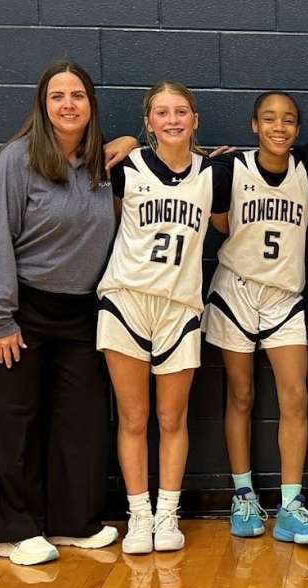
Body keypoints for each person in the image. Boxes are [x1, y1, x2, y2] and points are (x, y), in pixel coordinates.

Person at [97, 80, 228, 555]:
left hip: (180, 307)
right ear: (148, 122)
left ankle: (168, 513)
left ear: (195, 120)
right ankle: (139, 515)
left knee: (173, 418)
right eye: (161, 112)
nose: (172, 119)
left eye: (181, 111)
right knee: (133, 417)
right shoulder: (125, 167)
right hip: (127, 301)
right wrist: (127, 144)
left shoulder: (216, 174)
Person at [0, 60, 121, 566]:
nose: (68, 104)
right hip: (24, 308)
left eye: (77, 95)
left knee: (81, 420)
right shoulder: (17, 158)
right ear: (43, 105)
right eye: (57, 96)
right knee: (15, 422)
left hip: (82, 312)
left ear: (91, 105)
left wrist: (131, 143)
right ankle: (13, 530)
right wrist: (1, 318)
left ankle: (72, 522)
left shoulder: (102, 164)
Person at [202, 91, 308, 545]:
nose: (280, 127)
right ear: (254, 125)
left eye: (289, 120)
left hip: (284, 296)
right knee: (241, 395)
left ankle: (291, 503)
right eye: (269, 119)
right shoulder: (229, 169)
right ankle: (243, 494)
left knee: (295, 395)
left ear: (297, 128)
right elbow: (218, 224)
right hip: (236, 291)